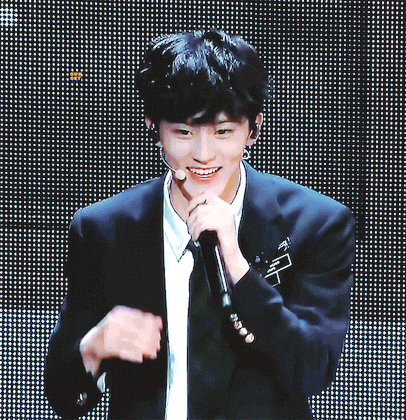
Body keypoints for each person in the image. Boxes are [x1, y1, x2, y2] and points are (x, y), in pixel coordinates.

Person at [45, 29, 355, 419]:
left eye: (223, 132)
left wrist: (238, 267)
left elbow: (313, 370)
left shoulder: (315, 224)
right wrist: (94, 348)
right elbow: (64, 399)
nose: (204, 155)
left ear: (253, 128)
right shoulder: (104, 230)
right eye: (184, 132)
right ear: (153, 125)